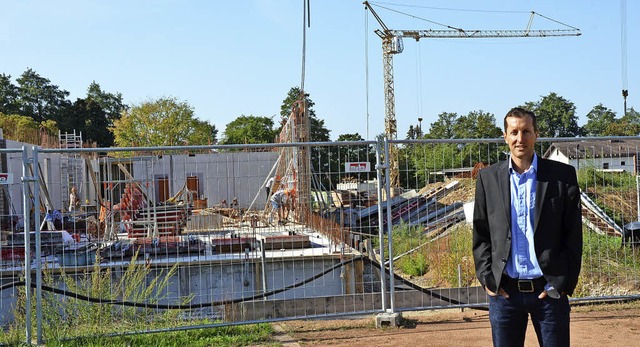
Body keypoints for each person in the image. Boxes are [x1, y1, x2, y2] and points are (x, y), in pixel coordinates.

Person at [472, 107, 582, 347]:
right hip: (505, 294)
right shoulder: (488, 178)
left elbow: (573, 234)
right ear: (505, 136)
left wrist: (562, 282)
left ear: (536, 134)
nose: (519, 138)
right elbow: (481, 234)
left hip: (549, 291)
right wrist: (488, 278)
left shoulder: (562, 176)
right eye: (514, 132)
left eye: (526, 131)